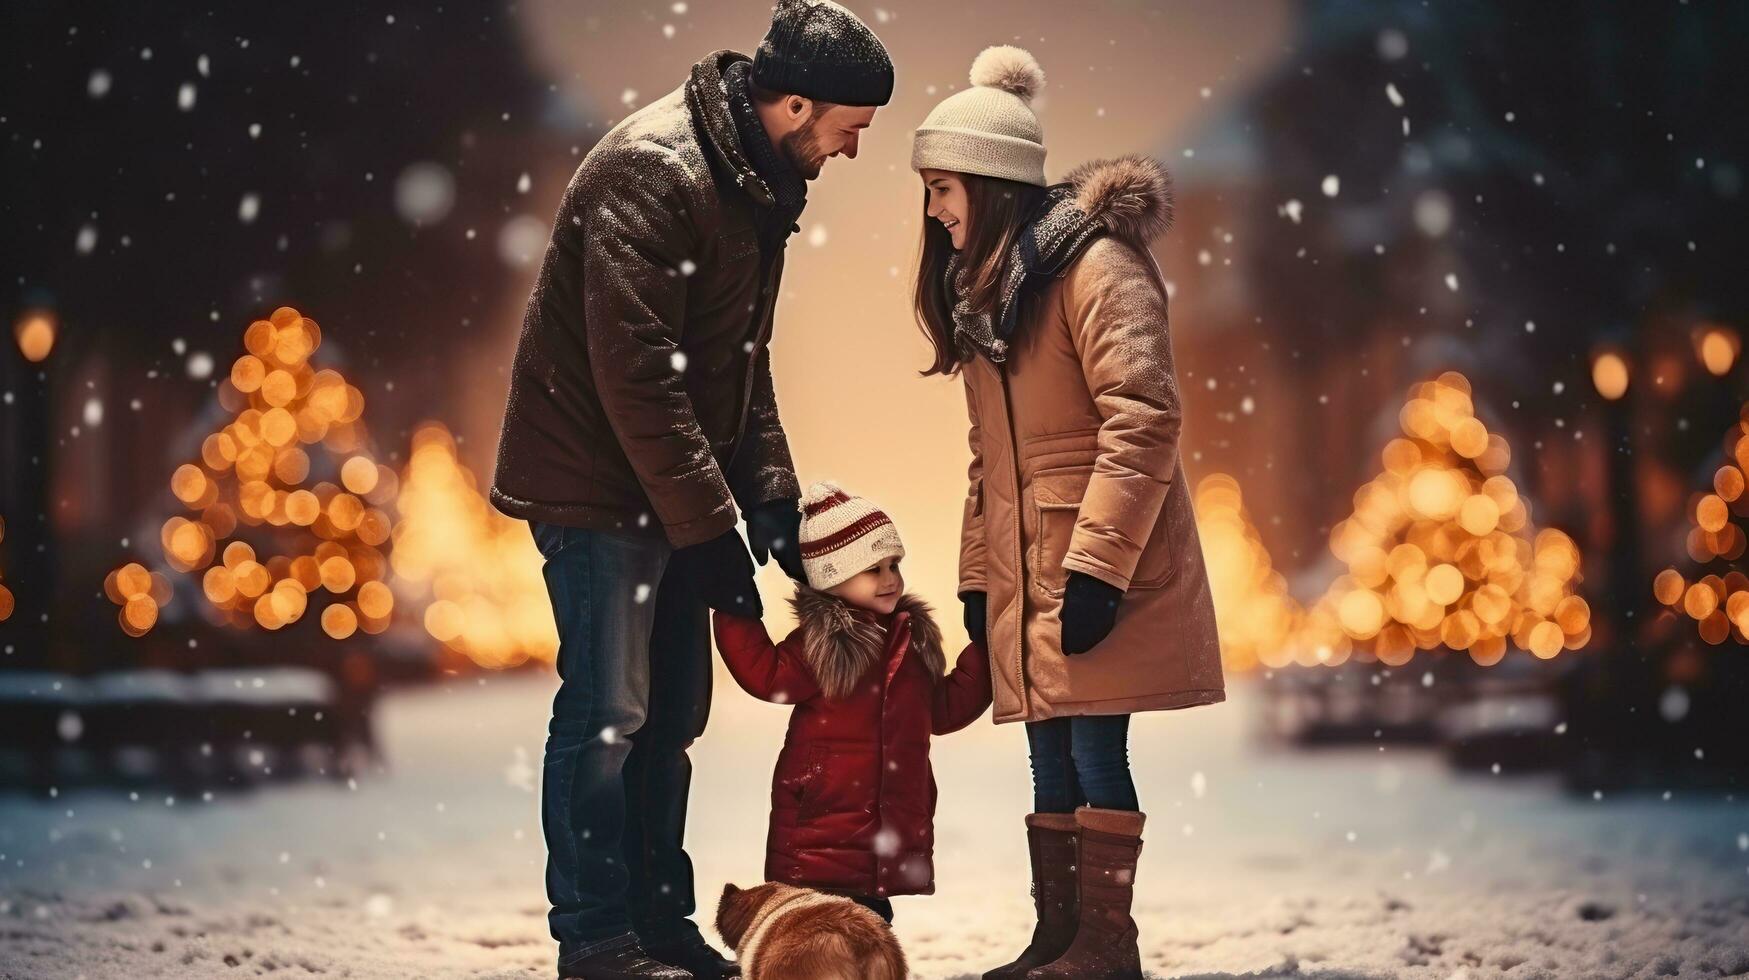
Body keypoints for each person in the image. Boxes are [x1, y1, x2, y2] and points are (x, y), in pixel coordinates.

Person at [488, 3, 894, 977]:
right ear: (793, 102)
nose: (848, 151)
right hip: (592, 490)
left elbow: (735, 370)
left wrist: (775, 502)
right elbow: (639, 376)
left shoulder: (755, 189)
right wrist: (713, 528)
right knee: (608, 714)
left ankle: (661, 924)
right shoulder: (655, 171)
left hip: (666, 492)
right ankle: (596, 938)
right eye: (847, 127)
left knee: (671, 717)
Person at [909, 46, 1227, 980]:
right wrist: (978, 575)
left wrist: (1096, 568)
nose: (933, 210)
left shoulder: (1097, 269)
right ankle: (1058, 939)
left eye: (943, 187)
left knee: (1094, 754)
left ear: (990, 181)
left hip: (1098, 561)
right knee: (1050, 757)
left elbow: (1144, 417)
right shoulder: (989, 299)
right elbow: (990, 464)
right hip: (1033, 565)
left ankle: (1105, 946)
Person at [711, 482, 991, 924]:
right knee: (818, 929)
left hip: (884, 827)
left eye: (894, 565)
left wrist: (985, 648)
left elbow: (942, 710)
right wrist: (734, 611)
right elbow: (766, 675)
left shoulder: (911, 643)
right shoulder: (822, 643)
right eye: (872, 570)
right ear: (832, 578)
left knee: (869, 928)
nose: (890, 579)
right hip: (820, 822)